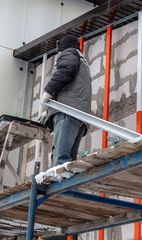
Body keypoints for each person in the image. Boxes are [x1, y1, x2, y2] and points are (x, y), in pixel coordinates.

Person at [39, 35, 92, 167]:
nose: (59, 54)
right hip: (79, 116)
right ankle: (65, 187)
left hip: (67, 113)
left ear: (61, 49)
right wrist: (49, 111)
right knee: (68, 163)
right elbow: (71, 89)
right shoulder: (81, 60)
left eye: (59, 52)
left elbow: (65, 71)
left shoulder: (69, 53)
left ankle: (59, 188)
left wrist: (48, 92)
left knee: (60, 159)